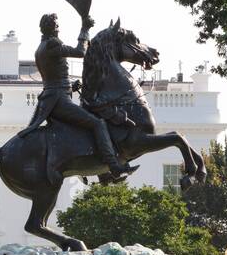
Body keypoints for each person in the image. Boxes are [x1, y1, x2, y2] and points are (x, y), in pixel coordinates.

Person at [17, 10, 137, 181]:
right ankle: (113, 167)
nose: (58, 27)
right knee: (98, 123)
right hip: (58, 101)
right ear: (50, 27)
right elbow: (81, 52)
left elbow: (53, 78)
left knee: (88, 122)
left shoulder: (42, 46)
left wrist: (70, 87)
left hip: (55, 96)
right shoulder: (51, 45)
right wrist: (85, 28)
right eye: (56, 24)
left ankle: (101, 172)